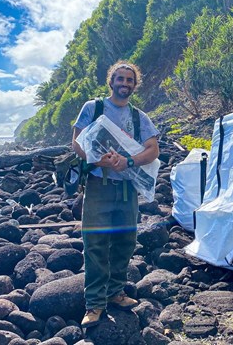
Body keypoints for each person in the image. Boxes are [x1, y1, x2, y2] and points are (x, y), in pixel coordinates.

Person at [72, 61, 160, 327]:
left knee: (125, 242)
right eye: (120, 79)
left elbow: (153, 150)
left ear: (135, 85)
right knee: (95, 245)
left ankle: (116, 293)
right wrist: (101, 161)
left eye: (129, 80)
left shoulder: (140, 117)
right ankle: (94, 305)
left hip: (127, 188)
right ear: (111, 81)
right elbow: (76, 143)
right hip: (99, 185)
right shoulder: (93, 108)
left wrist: (129, 162)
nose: (124, 84)